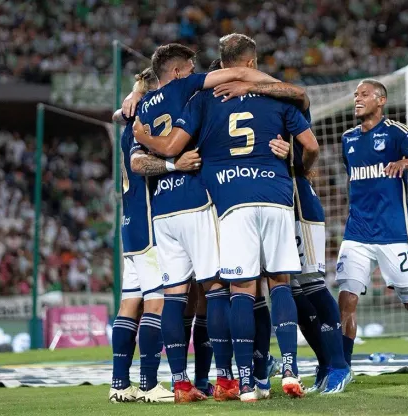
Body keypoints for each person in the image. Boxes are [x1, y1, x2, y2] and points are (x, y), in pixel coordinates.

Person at [131, 33, 320, 402]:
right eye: (188, 69)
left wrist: (144, 133)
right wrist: (297, 166)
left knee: (194, 294)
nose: (194, 72)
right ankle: (264, 374)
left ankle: (206, 383)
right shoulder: (254, 94)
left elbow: (151, 155)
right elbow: (305, 122)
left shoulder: (158, 105)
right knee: (256, 284)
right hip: (240, 200)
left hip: (184, 208)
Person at [212, 53, 352, 394]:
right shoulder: (231, 101)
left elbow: (304, 101)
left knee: (309, 281)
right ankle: (305, 364)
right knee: (283, 288)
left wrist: (296, 161)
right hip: (267, 199)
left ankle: (338, 365)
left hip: (297, 195)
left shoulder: (282, 94)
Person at [336, 79, 408, 377]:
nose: (357, 99)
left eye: (364, 95)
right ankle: (342, 369)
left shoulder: (396, 131)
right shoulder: (347, 139)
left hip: (393, 234)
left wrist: (405, 162)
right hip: (357, 233)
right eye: (355, 95)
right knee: (347, 298)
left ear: (380, 100)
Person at [108, 67, 198, 403]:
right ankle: (148, 384)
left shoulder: (128, 123)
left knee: (130, 302)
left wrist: (131, 97)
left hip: (129, 225)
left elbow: (120, 112)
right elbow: (140, 165)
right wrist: (176, 165)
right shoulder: (141, 124)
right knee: (156, 303)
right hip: (148, 224)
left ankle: (120, 384)